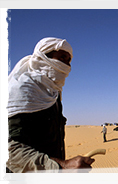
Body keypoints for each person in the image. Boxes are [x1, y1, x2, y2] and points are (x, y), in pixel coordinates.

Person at [6, 37, 95, 173]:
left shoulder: (53, 94)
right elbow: (10, 150)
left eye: (68, 61)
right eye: (62, 58)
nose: (67, 66)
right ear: (43, 57)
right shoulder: (20, 90)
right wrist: (61, 166)